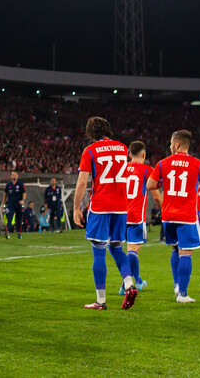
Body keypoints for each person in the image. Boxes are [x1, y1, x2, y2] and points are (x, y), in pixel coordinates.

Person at [73, 116, 138, 310]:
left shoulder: (90, 151)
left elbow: (82, 182)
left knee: (99, 251)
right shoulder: (122, 148)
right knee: (117, 248)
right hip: (120, 206)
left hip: (101, 205)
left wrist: (76, 207)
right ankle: (129, 284)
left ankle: (100, 301)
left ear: (90, 133)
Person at [147, 130, 200, 303]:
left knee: (174, 248)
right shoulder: (199, 164)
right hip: (187, 216)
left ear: (177, 144)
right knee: (186, 252)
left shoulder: (163, 163)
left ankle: (177, 285)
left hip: (168, 216)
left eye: (171, 143)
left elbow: (150, 185)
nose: (170, 146)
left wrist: (166, 182)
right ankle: (183, 294)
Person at [117, 141, 163, 295]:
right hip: (136, 216)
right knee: (132, 250)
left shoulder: (121, 169)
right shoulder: (148, 170)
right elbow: (156, 197)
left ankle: (137, 280)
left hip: (119, 215)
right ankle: (126, 284)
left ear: (129, 154)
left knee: (119, 249)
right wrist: (165, 210)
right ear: (143, 155)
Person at [2, 171, 26, 239]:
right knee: (9, 217)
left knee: (19, 219)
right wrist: (2, 203)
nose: (14, 176)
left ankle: (19, 233)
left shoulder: (21, 184)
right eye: (13, 175)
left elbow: (24, 193)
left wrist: (23, 200)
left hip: (18, 203)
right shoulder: (8, 184)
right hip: (11, 203)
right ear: (11, 176)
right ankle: (7, 232)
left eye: (15, 175)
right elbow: (5, 194)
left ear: (17, 176)